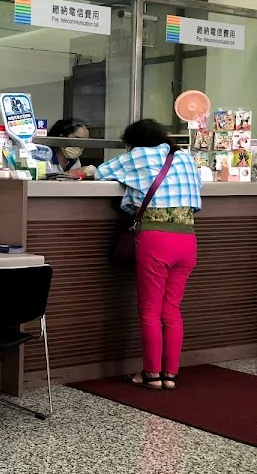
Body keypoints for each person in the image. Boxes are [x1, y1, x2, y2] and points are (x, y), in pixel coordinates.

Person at [95, 120, 202, 391]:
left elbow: (100, 172)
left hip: (156, 241)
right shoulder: (185, 158)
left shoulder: (138, 156)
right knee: (172, 310)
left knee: (150, 310)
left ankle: (152, 374)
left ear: (134, 142)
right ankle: (170, 375)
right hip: (188, 240)